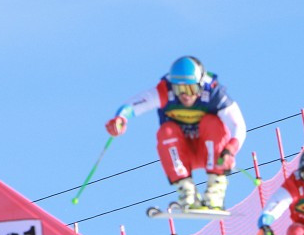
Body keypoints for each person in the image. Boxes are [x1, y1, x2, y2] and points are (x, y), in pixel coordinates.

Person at [105, 56, 247, 210]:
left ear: (200, 84)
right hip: (182, 153)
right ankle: (187, 191)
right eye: (179, 89)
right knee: (167, 131)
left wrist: (230, 150)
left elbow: (237, 125)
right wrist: (121, 118)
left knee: (212, 122)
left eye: (190, 89)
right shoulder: (165, 91)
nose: (185, 95)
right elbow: (136, 104)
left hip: (210, 152)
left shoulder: (213, 93)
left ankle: (215, 191)